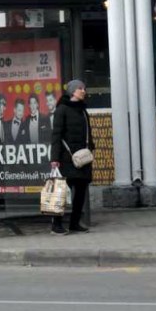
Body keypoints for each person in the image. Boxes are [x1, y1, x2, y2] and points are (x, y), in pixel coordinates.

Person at [49, 79, 95, 235]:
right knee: (60, 190)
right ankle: (56, 224)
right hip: (66, 157)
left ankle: (74, 223)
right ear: (73, 91)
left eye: (84, 88)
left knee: (81, 190)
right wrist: (54, 159)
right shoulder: (62, 109)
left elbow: (88, 132)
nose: (84, 91)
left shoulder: (83, 110)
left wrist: (91, 149)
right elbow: (56, 135)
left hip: (82, 157)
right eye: (80, 88)